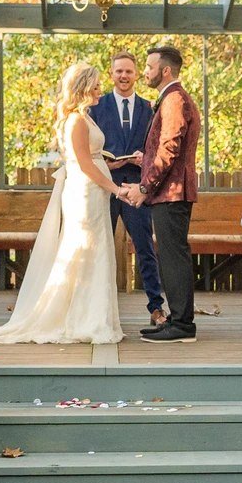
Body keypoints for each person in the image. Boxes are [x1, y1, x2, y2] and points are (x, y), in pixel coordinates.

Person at [0, 64, 127, 345]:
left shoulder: (84, 118)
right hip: (86, 194)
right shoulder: (75, 120)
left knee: (98, 250)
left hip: (95, 192)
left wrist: (117, 164)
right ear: (84, 87)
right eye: (96, 85)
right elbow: (85, 164)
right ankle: (83, 319)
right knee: (86, 251)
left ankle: (95, 316)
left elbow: (93, 156)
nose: (101, 89)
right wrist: (115, 189)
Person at [124, 45, 201, 344]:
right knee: (171, 256)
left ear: (165, 70)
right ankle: (178, 319)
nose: (145, 71)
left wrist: (144, 188)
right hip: (169, 192)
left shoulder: (174, 99)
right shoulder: (172, 98)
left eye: (148, 66)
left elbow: (169, 149)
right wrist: (142, 160)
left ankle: (182, 325)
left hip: (172, 192)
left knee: (173, 258)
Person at [89, 51, 166, 326]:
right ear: (112, 74)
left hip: (136, 188)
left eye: (129, 71)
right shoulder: (95, 107)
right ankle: (95, 308)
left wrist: (143, 158)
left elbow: (158, 149)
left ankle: (156, 308)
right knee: (98, 247)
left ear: (136, 75)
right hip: (103, 188)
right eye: (119, 71)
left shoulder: (149, 108)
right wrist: (104, 166)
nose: (124, 76)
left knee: (145, 247)